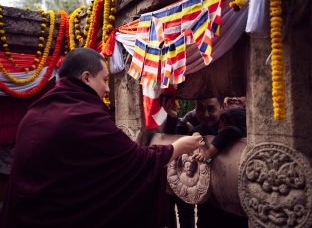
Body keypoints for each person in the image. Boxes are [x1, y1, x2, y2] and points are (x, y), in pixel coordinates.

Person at [0, 48, 205, 228]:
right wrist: (178, 147)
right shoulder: (81, 116)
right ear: (86, 78)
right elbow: (135, 162)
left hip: (23, 216)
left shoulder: (36, 112)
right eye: (105, 80)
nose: (107, 89)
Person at [163, 97, 248, 228]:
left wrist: (208, 153)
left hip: (234, 209)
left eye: (211, 109)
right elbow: (172, 140)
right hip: (207, 209)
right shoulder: (197, 122)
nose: (206, 114)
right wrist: (174, 119)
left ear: (222, 107)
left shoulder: (234, 121)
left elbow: (229, 132)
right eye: (201, 109)